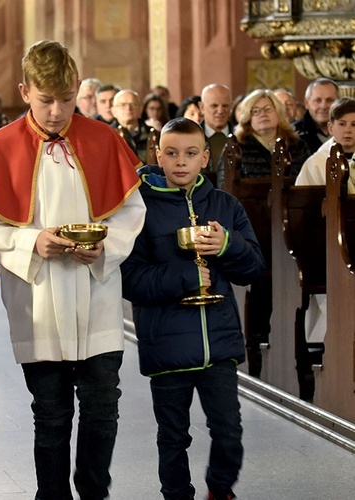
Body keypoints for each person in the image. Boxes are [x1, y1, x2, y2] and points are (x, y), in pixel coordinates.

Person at [0, 40, 147, 500]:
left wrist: (103, 247)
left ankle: (94, 492)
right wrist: (31, 240)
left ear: (77, 88)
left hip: (96, 293)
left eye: (65, 98)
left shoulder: (104, 140)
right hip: (37, 295)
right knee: (52, 411)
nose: (57, 110)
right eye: (46, 100)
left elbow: (130, 212)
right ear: (24, 91)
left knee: (103, 405)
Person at [121, 117, 265, 500]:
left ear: (205, 158)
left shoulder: (224, 205)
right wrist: (187, 275)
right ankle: (176, 494)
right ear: (158, 156)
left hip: (219, 342)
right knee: (173, 435)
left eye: (190, 153)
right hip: (167, 344)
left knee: (229, 430)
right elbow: (130, 280)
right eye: (171, 153)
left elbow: (253, 268)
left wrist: (226, 246)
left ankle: (220, 488)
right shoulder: (139, 208)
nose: (180, 161)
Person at [217, 89, 309, 377]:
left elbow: (306, 187)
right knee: (259, 283)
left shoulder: (296, 144)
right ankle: (256, 341)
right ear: (246, 116)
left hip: (293, 228)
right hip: (253, 230)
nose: (262, 114)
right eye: (255, 110)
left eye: (267, 108)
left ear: (279, 113)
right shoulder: (237, 146)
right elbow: (225, 191)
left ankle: (297, 342)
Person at [294, 97, 355, 384]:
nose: (348, 131)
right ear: (330, 127)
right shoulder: (316, 163)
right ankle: (330, 352)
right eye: (342, 124)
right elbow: (302, 216)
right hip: (325, 249)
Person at [292, 78, 340, 155]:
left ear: (338, 102)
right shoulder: (293, 134)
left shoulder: (349, 130)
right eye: (318, 100)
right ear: (307, 103)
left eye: (329, 100)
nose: (324, 106)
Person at [199, 84, 233, 182]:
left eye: (225, 106)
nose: (220, 111)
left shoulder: (242, 138)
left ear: (231, 106)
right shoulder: (189, 138)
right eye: (214, 106)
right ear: (202, 107)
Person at [111, 89, 152, 163]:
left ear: (141, 109)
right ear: (113, 111)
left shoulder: (153, 135)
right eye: (122, 105)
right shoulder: (108, 135)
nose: (128, 109)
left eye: (133, 104)